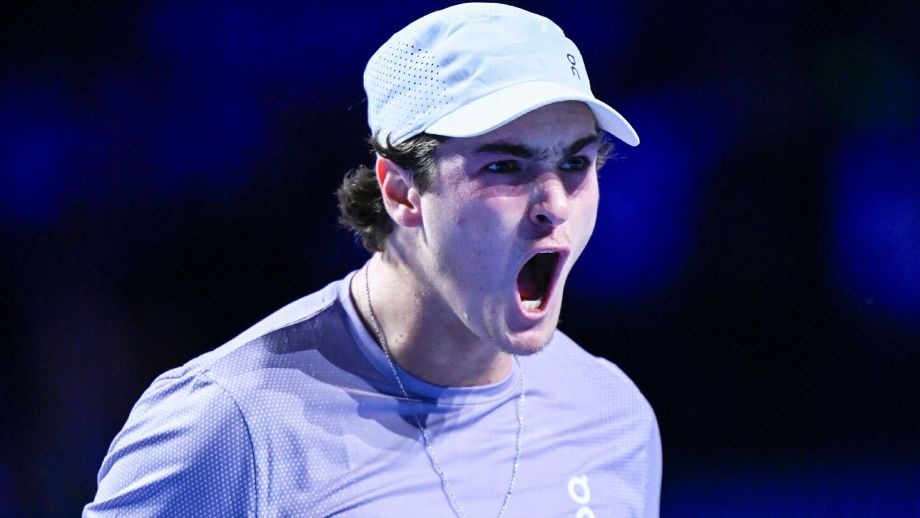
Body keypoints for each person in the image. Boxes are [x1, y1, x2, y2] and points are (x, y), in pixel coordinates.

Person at [84, 3, 661, 517]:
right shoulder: (231, 423)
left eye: (576, 164)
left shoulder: (612, 417)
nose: (554, 204)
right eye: (504, 167)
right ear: (403, 192)